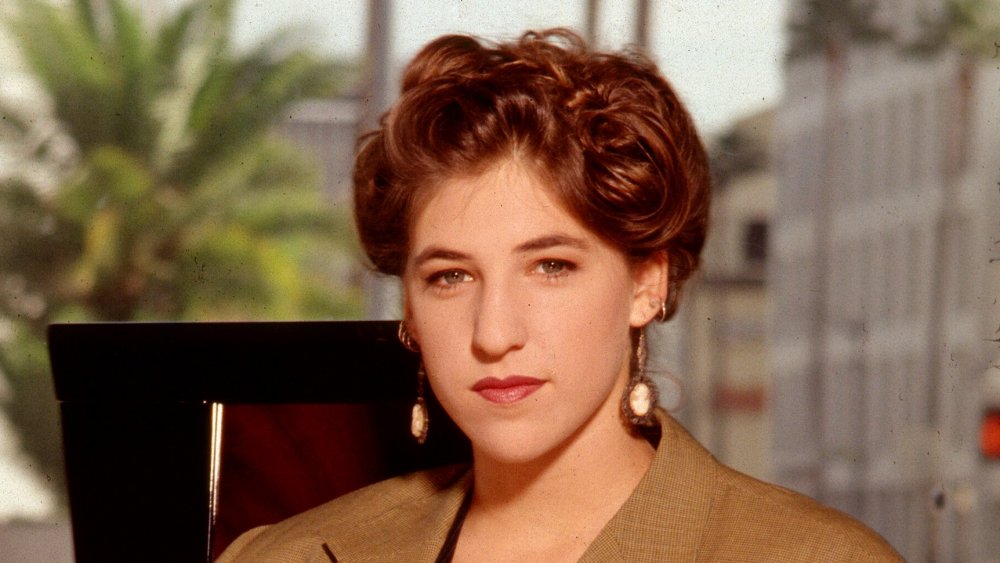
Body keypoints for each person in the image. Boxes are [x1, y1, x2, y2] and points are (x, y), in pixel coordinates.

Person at [217, 29, 902, 562]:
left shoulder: (817, 556)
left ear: (646, 282)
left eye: (550, 266)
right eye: (449, 276)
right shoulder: (290, 555)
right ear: (410, 312)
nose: (494, 331)